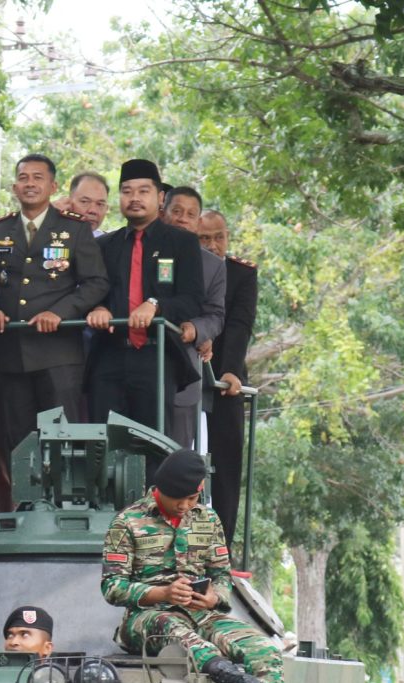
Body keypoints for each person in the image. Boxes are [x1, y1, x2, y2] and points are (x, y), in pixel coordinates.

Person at [101, 449, 313, 683]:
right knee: (176, 631)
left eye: (192, 497)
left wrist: (214, 596)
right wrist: (163, 593)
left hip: (203, 613)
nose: (184, 506)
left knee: (264, 651)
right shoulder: (128, 522)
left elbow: (222, 576)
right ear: (159, 490)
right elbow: (112, 586)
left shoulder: (208, 520)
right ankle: (236, 681)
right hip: (148, 618)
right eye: (177, 499)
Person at [0, 154, 107, 484]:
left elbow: (97, 282)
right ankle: (26, 512)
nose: (30, 183)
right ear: (14, 186)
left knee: (60, 437)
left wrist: (61, 312)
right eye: (23, 177)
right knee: (20, 441)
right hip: (12, 353)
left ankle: (62, 512)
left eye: (38, 178)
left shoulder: (74, 228)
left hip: (58, 353)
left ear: (52, 186)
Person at [86, 159, 205, 449]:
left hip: (156, 355)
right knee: (104, 446)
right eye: (127, 191)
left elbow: (192, 300)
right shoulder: (105, 246)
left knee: (152, 446)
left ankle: (148, 497)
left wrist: (155, 305)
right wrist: (99, 308)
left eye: (143, 191)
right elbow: (94, 291)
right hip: (109, 355)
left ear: (160, 198)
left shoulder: (182, 242)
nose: (135, 198)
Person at [198, 210, 258, 546]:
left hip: (224, 380)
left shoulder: (242, 273)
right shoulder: (185, 268)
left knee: (226, 466)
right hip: (185, 376)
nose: (213, 245)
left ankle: (222, 549)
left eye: (218, 237)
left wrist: (230, 370)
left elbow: (240, 324)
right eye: (204, 238)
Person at [160, 186, 225, 450]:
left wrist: (196, 330)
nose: (182, 218)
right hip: (133, 371)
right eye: (176, 211)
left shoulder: (213, 265)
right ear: (163, 213)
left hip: (184, 374)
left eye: (190, 214)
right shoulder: (142, 248)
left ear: (198, 222)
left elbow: (216, 315)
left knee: (176, 459)